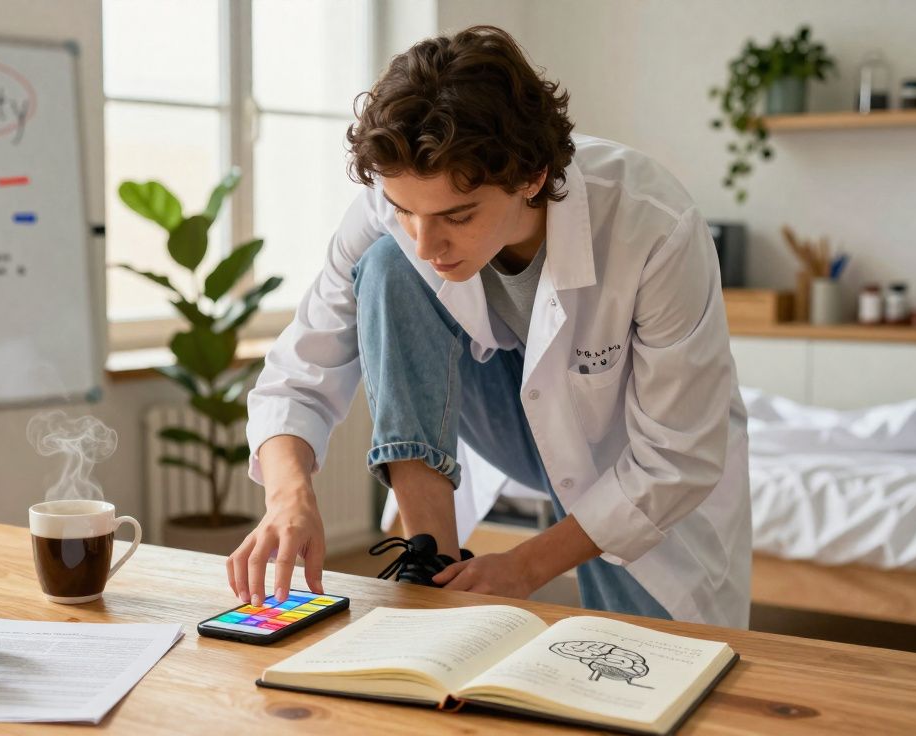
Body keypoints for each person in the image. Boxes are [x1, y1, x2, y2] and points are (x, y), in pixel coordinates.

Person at [225, 25, 751, 627]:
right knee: (388, 265)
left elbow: (676, 455)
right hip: (505, 420)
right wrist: (288, 497)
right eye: (405, 211)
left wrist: (524, 567)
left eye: (457, 216)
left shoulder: (651, 225)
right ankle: (433, 567)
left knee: (653, 656)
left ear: (531, 177)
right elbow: (296, 375)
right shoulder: (392, 210)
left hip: (627, 448)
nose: (427, 244)